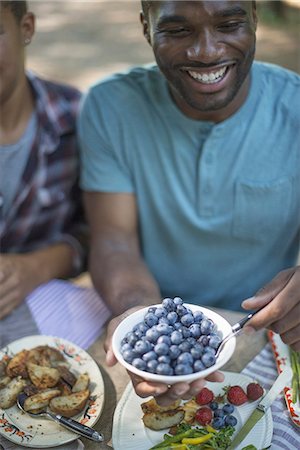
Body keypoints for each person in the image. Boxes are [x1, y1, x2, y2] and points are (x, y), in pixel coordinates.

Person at [78, 0, 300, 405]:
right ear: (146, 29)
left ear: (254, 18)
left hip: (268, 331)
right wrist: (140, 317)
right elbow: (113, 241)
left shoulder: (295, 109)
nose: (206, 51)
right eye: (178, 31)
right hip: (153, 308)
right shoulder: (109, 107)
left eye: (229, 24)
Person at [0, 1, 86, 320]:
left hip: (46, 319)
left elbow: (99, 234)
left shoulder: (74, 117)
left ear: (26, 29)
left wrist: (35, 268)